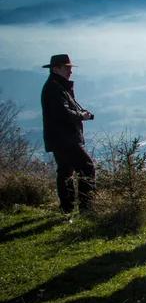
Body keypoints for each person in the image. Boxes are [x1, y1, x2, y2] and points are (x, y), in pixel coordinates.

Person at [40, 54, 96, 214]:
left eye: (70, 68)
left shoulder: (57, 86)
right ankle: (86, 207)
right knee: (87, 167)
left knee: (65, 171)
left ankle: (67, 207)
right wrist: (82, 116)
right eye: (67, 68)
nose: (70, 71)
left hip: (59, 138)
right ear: (55, 69)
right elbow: (63, 114)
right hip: (65, 138)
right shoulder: (54, 88)